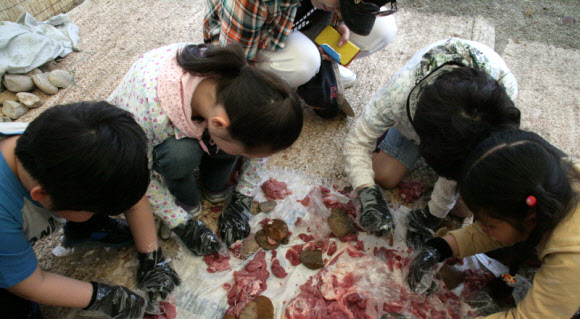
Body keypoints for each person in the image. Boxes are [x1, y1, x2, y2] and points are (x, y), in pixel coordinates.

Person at [0, 102, 180, 319]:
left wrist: (152, 257)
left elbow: (132, 196)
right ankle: (17, 312)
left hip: (61, 197)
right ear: (41, 196)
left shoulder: (69, 144)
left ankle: (84, 229)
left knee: (93, 198)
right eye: (98, 210)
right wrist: (103, 297)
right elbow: (30, 282)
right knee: (10, 284)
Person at [383, 130, 580, 319]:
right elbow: (490, 233)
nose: (482, 228)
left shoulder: (571, 257)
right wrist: (440, 247)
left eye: (489, 223)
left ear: (532, 219)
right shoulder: (552, 181)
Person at [108, 43, 303, 253]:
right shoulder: (145, 113)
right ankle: (185, 197)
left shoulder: (243, 93)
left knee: (231, 154)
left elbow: (260, 142)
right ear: (218, 124)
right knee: (180, 156)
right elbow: (139, 175)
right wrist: (178, 221)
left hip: (202, 123)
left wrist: (243, 197)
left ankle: (214, 184)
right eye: (243, 154)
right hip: (148, 132)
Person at [343, 37, 520, 247]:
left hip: (462, 137)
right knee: (384, 175)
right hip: (413, 123)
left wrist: (433, 215)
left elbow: (455, 171)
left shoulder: (501, 99)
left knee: (465, 208)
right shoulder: (400, 94)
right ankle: (389, 135)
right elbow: (357, 142)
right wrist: (366, 192)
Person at [203, 0, 398, 89]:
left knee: (383, 28)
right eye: (340, 6)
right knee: (304, 63)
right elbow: (233, 58)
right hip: (248, 35)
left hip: (296, 23)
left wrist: (341, 21)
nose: (340, 12)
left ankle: (313, 66)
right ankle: (303, 68)